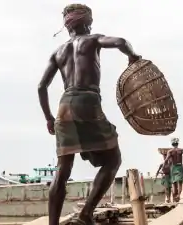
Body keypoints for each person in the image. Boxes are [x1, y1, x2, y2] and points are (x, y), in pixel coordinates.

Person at [37, 4, 141, 225]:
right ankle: (87, 212)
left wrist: (48, 117)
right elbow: (121, 42)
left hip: (64, 106)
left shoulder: (58, 52)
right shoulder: (93, 40)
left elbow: (41, 87)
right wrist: (133, 56)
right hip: (87, 101)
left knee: (62, 170)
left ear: (67, 26)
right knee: (113, 159)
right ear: (87, 23)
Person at [162, 138, 183, 202]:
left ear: (172, 144)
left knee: (174, 182)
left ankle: (175, 195)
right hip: (180, 166)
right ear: (177, 143)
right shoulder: (181, 150)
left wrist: (163, 166)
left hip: (173, 167)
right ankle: (178, 195)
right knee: (180, 183)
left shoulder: (170, 151)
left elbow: (166, 160)